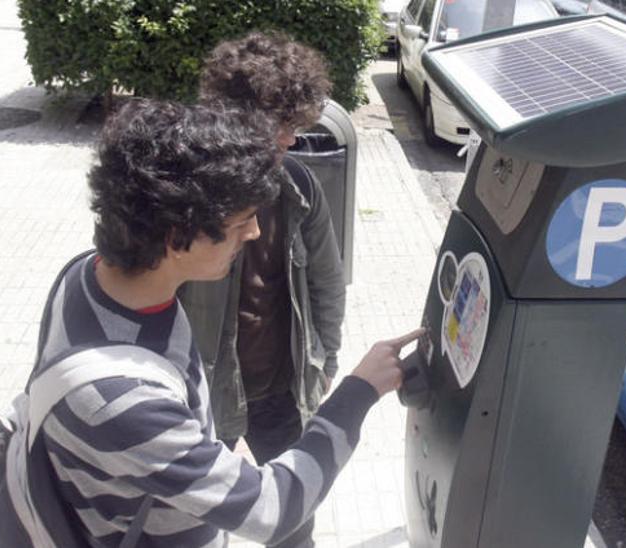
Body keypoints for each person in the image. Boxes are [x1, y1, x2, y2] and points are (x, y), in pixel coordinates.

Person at [39, 97, 421, 547]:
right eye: (242, 222)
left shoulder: (84, 275)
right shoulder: (123, 398)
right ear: (178, 237)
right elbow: (270, 509)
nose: (255, 233)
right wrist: (359, 391)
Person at [178, 32, 345, 547]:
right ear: (236, 118)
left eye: (295, 125)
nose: (291, 140)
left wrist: (325, 360)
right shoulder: (184, 185)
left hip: (281, 387)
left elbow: (326, 280)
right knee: (192, 525)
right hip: (205, 393)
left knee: (294, 522)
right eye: (281, 125)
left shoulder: (299, 185)